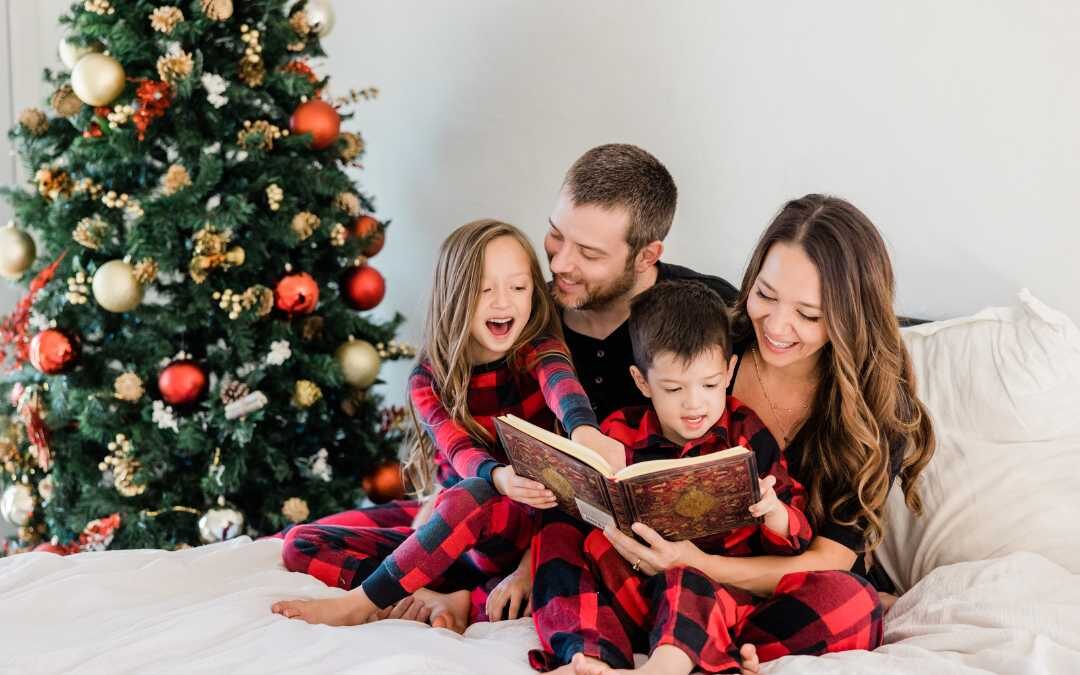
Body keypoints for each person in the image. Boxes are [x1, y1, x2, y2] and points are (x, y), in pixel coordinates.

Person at [595, 195, 937, 674]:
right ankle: (709, 653)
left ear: (850, 317)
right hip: (665, 586)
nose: (777, 326)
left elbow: (830, 561)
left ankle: (698, 653)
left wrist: (698, 565)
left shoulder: (877, 411)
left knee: (854, 603)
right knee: (579, 552)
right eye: (766, 296)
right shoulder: (713, 347)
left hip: (772, 595)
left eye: (810, 315)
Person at [270, 219, 623, 629]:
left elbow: (562, 387)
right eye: (484, 289)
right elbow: (460, 452)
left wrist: (585, 432)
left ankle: (363, 603)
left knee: (472, 494)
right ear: (456, 295)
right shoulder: (429, 379)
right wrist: (495, 477)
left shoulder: (537, 349)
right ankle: (425, 596)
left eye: (518, 287)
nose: (502, 302)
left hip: (523, 528)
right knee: (301, 543)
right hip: (452, 530)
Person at [529, 280, 816, 674]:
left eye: (710, 384)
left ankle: (677, 660)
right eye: (673, 388)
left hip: (718, 595)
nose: (694, 403)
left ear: (730, 371)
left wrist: (775, 513)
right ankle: (590, 655)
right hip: (631, 593)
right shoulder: (618, 433)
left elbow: (798, 533)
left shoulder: (747, 433)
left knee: (854, 600)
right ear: (642, 381)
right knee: (558, 530)